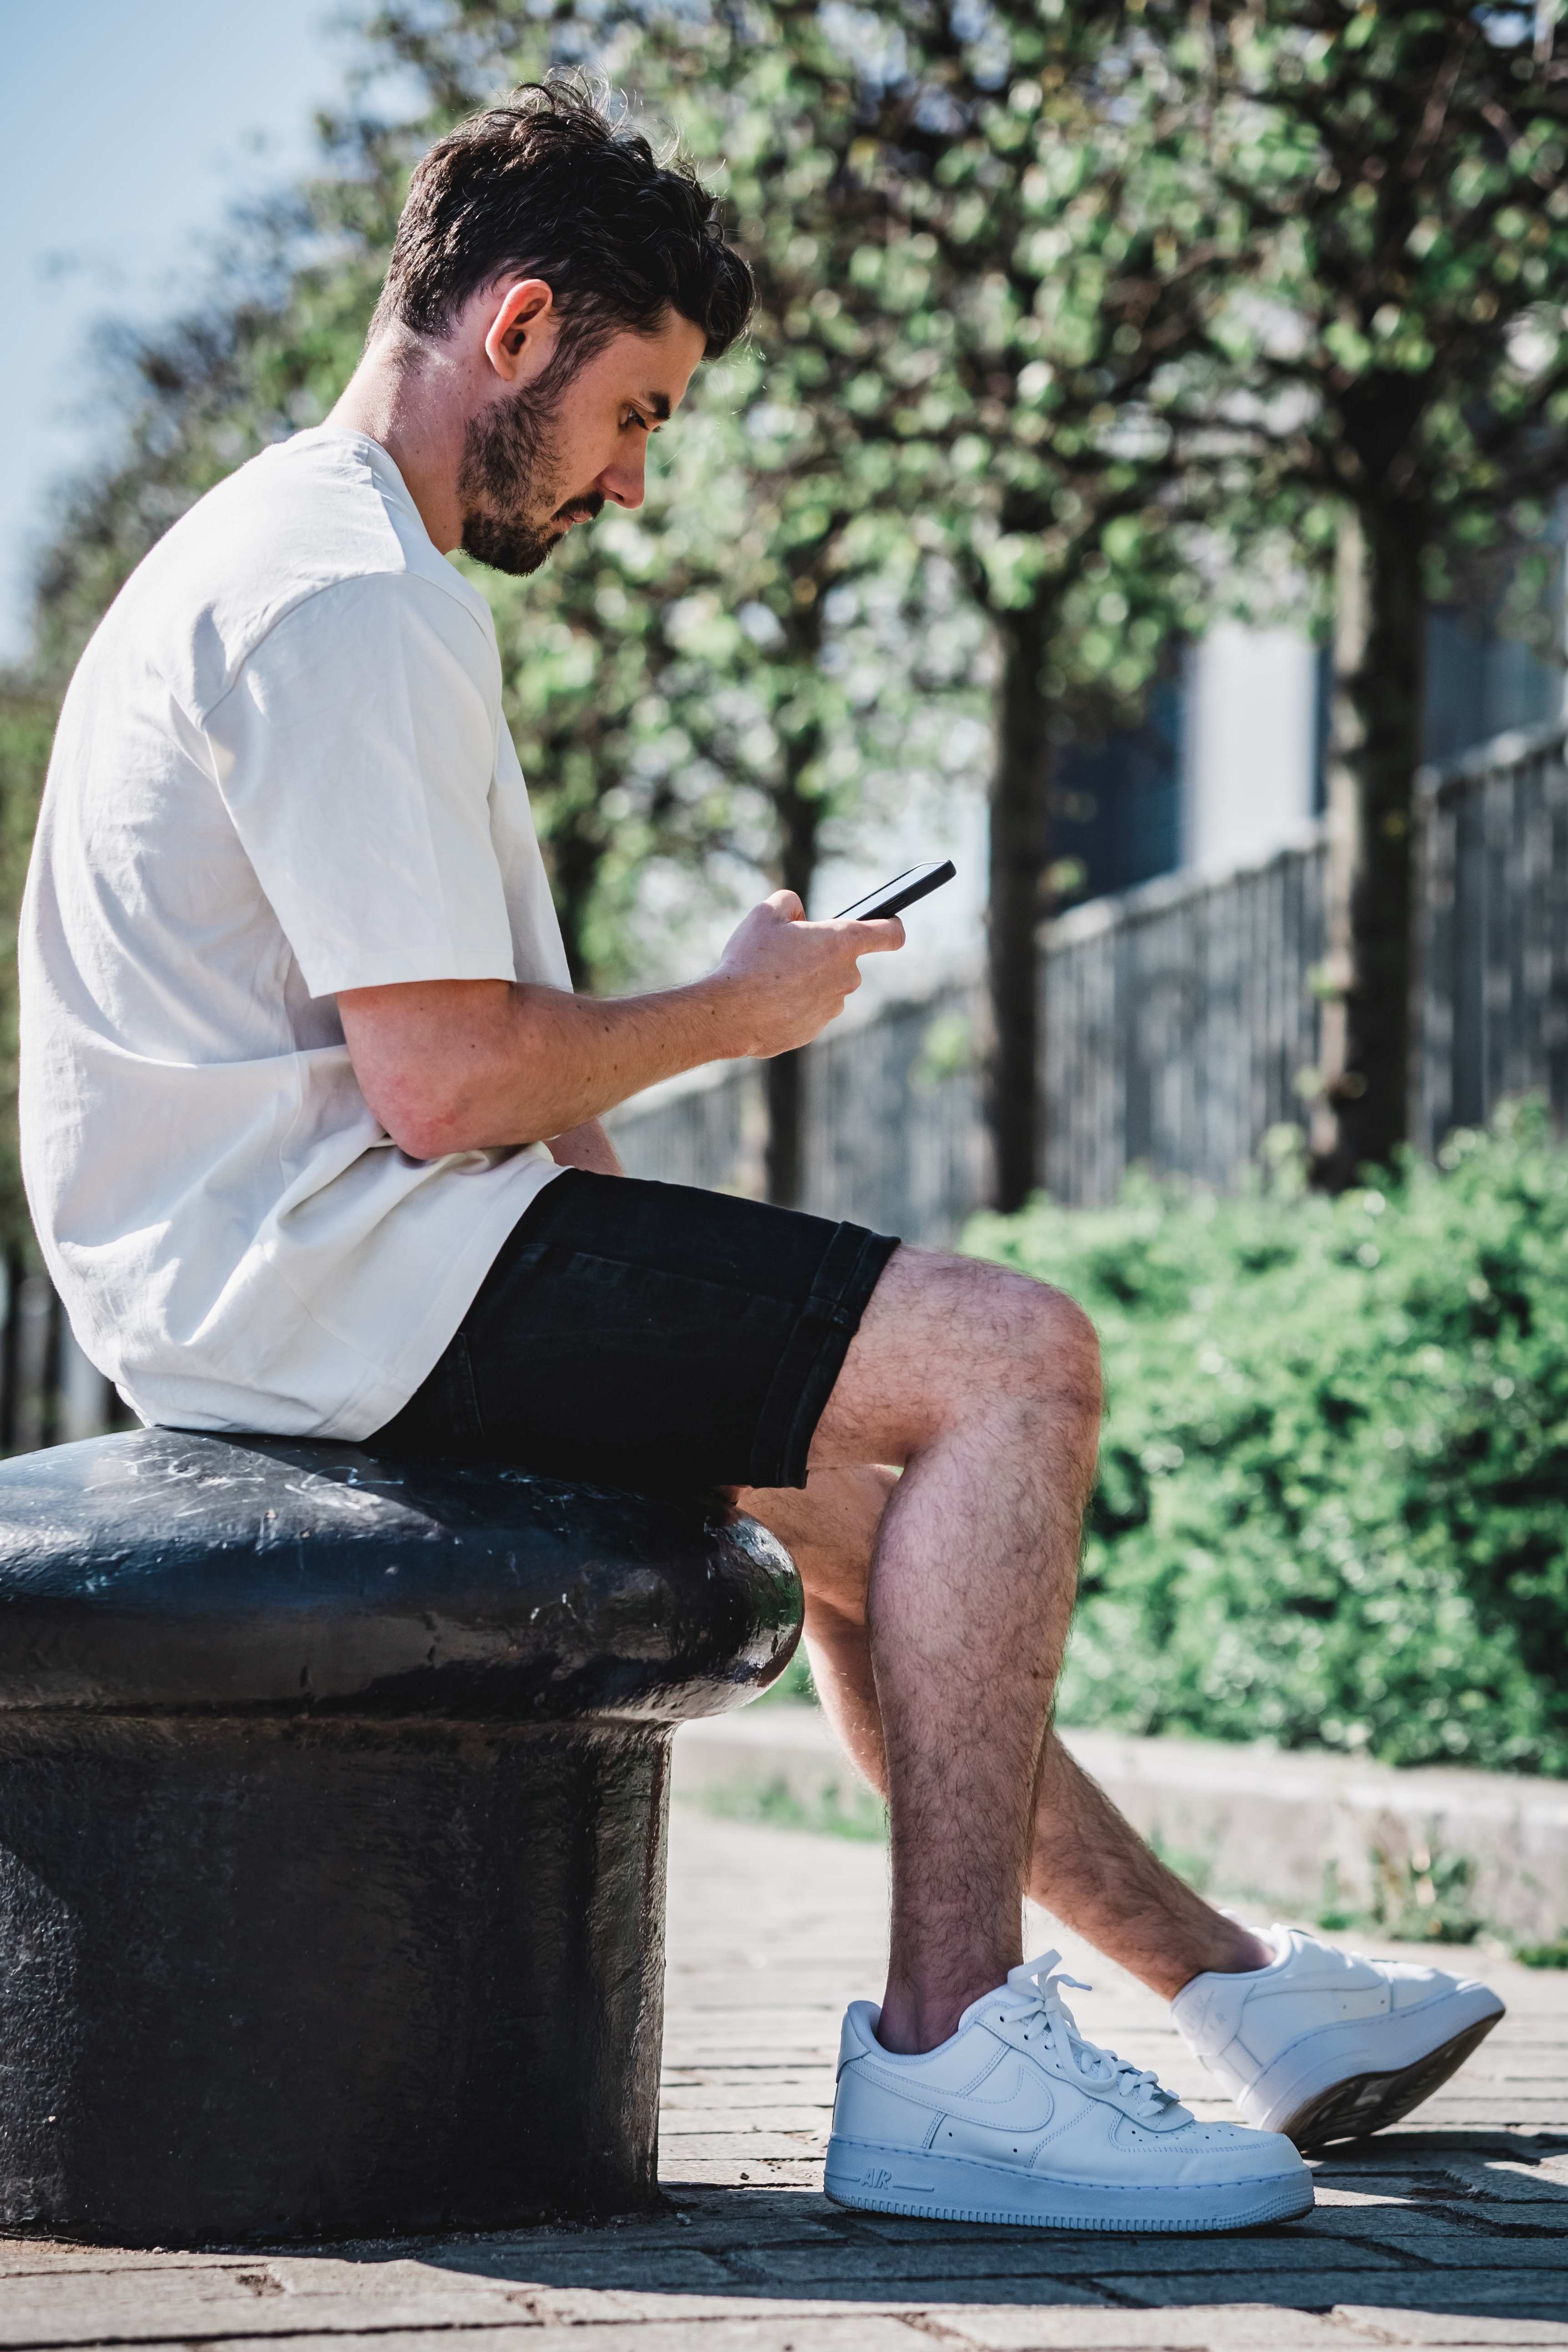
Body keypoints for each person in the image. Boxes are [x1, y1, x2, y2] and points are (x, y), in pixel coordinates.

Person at [20, 80, 1503, 2236]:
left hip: (321, 1260)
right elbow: (444, 1080)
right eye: (636, 410)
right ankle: (947, 2055)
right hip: (323, 1277)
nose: (634, 477)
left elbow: (486, 1070)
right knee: (1012, 1359)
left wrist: (697, 1286)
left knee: (891, 1517)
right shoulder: (338, 594)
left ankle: (1237, 1992)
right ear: (517, 326)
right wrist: (745, 1002)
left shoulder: (323, 556)